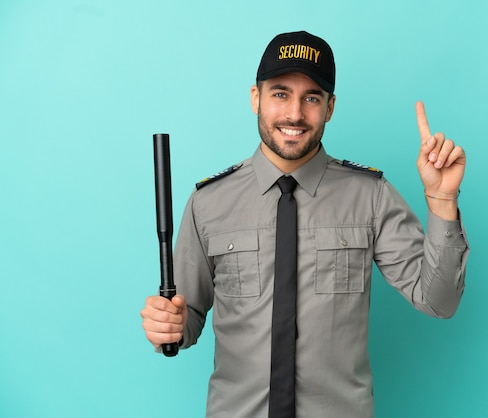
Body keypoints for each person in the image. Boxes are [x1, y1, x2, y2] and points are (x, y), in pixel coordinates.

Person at [141, 30, 469, 418]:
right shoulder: (208, 203)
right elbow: (187, 318)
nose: (295, 113)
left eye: (311, 97)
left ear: (329, 108)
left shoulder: (371, 196)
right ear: (255, 98)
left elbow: (439, 301)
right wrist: (170, 325)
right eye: (280, 93)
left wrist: (442, 201)